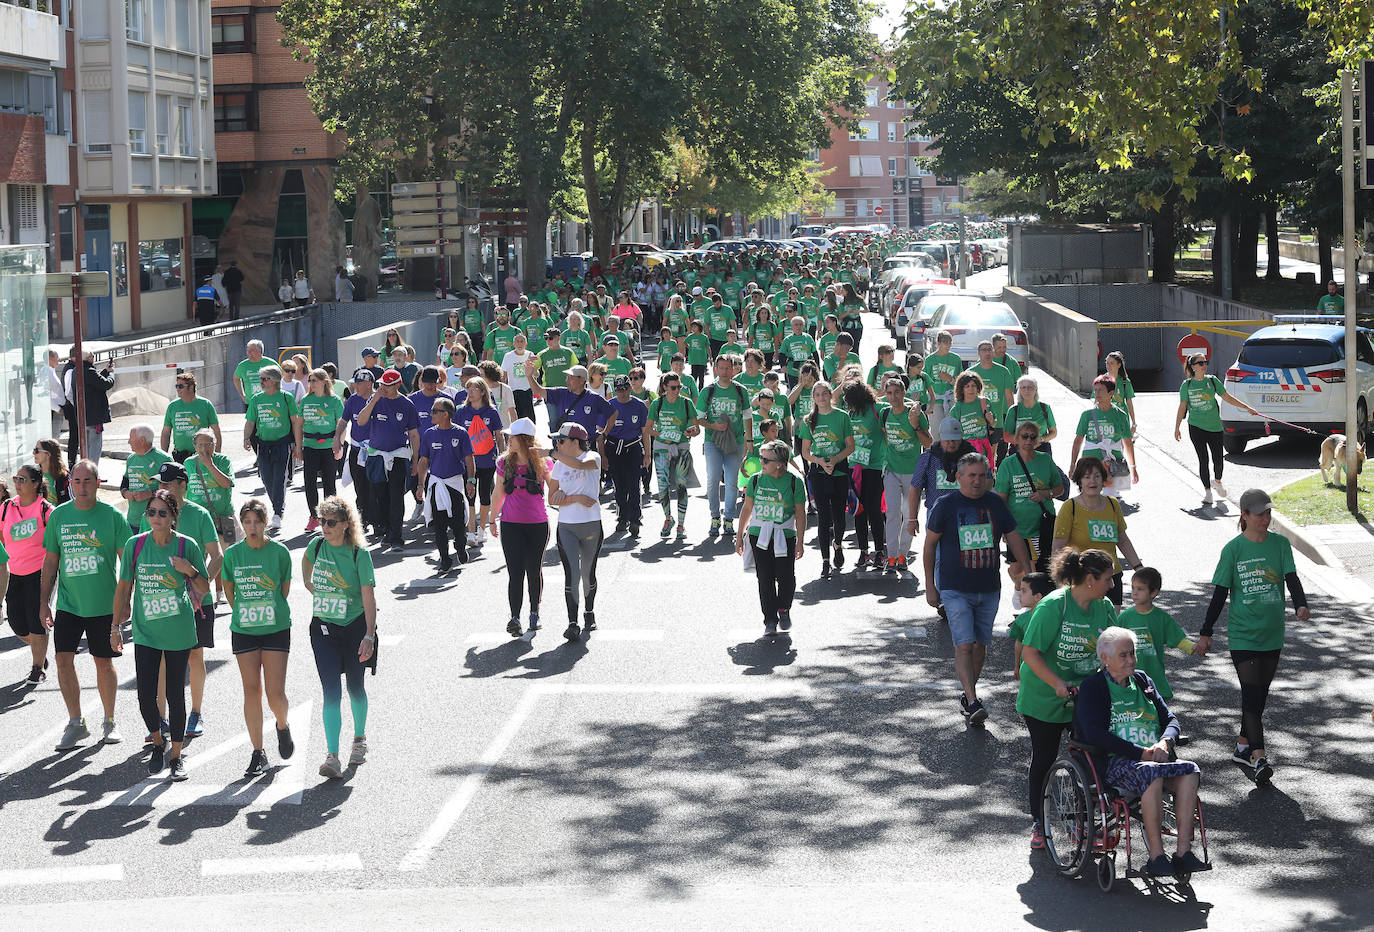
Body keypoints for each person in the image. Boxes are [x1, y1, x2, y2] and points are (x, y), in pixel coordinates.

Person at [1195, 488, 1309, 785]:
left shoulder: (1280, 545)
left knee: (1260, 697)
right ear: (1244, 515)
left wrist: (1301, 604)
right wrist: (1206, 632)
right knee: (1251, 693)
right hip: (1243, 634)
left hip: (1272, 633)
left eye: (1268, 512)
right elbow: (1219, 594)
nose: (1265, 518)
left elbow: (1292, 578)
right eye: (1260, 513)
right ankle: (1259, 756)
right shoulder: (1233, 551)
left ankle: (1243, 746)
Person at [1075, 626, 1208, 878]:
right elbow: (1094, 734)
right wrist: (1140, 753)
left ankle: (1183, 853)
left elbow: (1171, 719)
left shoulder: (1143, 680)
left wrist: (1165, 743)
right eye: (1123, 655)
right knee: (1151, 773)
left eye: (1132, 654)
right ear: (1105, 658)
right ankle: (1157, 856)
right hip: (1118, 763)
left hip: (1155, 758)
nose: (1131, 660)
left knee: (1191, 770)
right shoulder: (1094, 687)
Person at [1015, 547, 1119, 849]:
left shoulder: (1104, 607)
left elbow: (1109, 650)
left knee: (1087, 760)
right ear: (1090, 579)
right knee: (1044, 759)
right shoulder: (1053, 607)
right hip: (1044, 697)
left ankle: (1081, 824)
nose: (1112, 585)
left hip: (1082, 698)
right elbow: (1031, 654)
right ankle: (1039, 822)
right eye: (1107, 579)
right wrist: (1058, 683)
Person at [923, 452, 1033, 724]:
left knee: (980, 645)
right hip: (955, 587)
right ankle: (973, 701)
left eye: (982, 475)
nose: (977, 481)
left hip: (988, 587)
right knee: (964, 644)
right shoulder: (945, 505)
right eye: (971, 475)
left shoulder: (995, 503)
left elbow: (1014, 537)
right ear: (958, 477)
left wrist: (1029, 573)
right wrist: (929, 585)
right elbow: (929, 545)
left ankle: (967, 693)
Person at [114, 489, 211, 780]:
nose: (156, 517)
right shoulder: (136, 545)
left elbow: (204, 589)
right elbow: (123, 588)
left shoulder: (186, 545)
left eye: (162, 513)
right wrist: (114, 626)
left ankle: (177, 757)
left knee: (174, 694)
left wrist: (190, 570)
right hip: (146, 631)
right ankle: (158, 742)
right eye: (151, 512)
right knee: (145, 695)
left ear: (173, 517)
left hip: (178, 630)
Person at [41, 460, 131, 749]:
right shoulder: (59, 516)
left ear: (98, 483)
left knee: (103, 663)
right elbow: (51, 561)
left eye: (87, 481)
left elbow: (126, 562)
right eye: (76, 482)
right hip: (69, 604)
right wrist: (44, 602)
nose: (81, 487)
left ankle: (109, 721)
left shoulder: (112, 516)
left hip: (104, 605)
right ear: (70, 485)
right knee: (62, 660)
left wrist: (126, 601)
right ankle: (76, 723)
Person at [301, 496, 376, 780]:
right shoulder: (316, 545)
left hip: (355, 628)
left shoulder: (359, 554)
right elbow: (306, 565)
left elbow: (369, 597)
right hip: (323, 629)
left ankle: (359, 738)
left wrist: (369, 635)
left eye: (331, 522)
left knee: (355, 687)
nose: (325, 527)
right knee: (330, 690)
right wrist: (311, 586)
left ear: (346, 525)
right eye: (322, 521)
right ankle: (332, 756)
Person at [222, 498, 295, 776]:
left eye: (257, 522)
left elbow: (284, 589)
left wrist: (268, 609)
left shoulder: (279, 552)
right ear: (242, 524)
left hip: (275, 627)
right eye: (247, 522)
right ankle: (258, 751)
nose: (252, 527)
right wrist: (244, 610)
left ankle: (282, 724)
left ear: (265, 523)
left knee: (274, 693)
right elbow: (229, 590)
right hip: (244, 630)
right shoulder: (232, 554)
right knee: (251, 691)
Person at [736, 440, 807, 637]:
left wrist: (800, 541)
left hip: (784, 535)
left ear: (779, 463)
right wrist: (739, 535)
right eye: (761, 458)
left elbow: (800, 513)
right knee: (764, 579)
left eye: (765, 460)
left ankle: (784, 608)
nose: (761, 463)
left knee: (786, 578)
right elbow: (747, 508)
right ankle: (769, 619)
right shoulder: (756, 480)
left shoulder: (794, 482)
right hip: (759, 536)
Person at [1051, 456, 1143, 607]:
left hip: (1111, 578)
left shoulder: (1113, 504)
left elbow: (1122, 539)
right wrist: (1060, 581)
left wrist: (1138, 567)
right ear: (1079, 481)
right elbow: (1058, 547)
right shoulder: (1070, 507)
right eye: (1087, 477)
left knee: (1111, 627)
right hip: (1082, 579)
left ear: (1103, 480)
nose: (1092, 481)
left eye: (1097, 476)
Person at [490, 419, 550, 637]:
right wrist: (491, 519)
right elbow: (498, 492)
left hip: (537, 524)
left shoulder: (543, 463)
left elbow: (555, 486)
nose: (509, 439)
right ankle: (515, 617)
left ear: (523, 440)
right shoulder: (503, 462)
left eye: (512, 437)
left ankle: (534, 612)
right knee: (515, 573)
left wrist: (549, 454)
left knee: (534, 571)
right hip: (511, 524)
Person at [1174, 353, 1257, 506]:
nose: (1204, 365)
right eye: (1200, 363)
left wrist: (1247, 408)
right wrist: (1177, 427)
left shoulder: (1212, 381)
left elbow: (1227, 397)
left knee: (1218, 459)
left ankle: (1217, 481)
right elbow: (1182, 407)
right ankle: (1207, 492)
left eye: (1205, 362)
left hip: (1215, 427)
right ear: (1193, 367)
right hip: (1196, 427)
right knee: (1203, 459)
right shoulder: (1187, 385)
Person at [547, 423, 603, 641]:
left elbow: (581, 467)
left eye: (560, 441)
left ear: (574, 442)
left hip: (591, 525)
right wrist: (575, 498)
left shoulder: (593, 457)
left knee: (588, 573)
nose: (557, 444)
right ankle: (572, 622)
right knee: (572, 575)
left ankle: (589, 612)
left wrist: (553, 455)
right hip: (567, 527)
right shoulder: (559, 465)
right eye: (556, 441)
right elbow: (551, 499)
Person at [356, 369, 421, 550]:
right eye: (382, 383)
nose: (383, 387)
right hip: (377, 456)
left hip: (398, 456)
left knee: (396, 496)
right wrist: (374, 400)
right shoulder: (376, 400)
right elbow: (361, 421)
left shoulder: (407, 404)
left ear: (397, 385)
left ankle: (396, 536)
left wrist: (415, 461)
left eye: (388, 385)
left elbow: (414, 435)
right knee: (379, 495)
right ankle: (387, 529)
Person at [3, 466, 55, 685]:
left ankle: (37, 668)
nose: (17, 482)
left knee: (36, 622)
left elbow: (55, 546)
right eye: (16, 478)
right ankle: (39, 652)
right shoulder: (7, 507)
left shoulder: (46, 510)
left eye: (22, 479)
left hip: (39, 573)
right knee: (16, 623)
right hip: (13, 572)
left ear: (35, 483)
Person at [798, 380, 854, 578]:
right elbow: (805, 451)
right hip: (819, 472)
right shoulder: (808, 420)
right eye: (817, 394)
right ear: (813, 398)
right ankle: (825, 560)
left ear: (831, 395)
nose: (821, 398)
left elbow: (850, 446)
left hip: (838, 470)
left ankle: (837, 544)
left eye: (824, 393)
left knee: (839, 517)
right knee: (823, 517)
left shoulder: (842, 417)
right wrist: (820, 461)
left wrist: (835, 459)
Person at [1115, 567, 1196, 703]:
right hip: (1129, 674)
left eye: (1140, 589)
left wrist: (1194, 647)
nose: (1134, 593)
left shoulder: (1162, 618)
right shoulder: (1124, 617)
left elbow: (1177, 639)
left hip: (1154, 674)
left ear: (1153, 592)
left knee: (1156, 713)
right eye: (1133, 588)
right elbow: (1112, 642)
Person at [994, 422, 1064, 581]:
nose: (1028, 440)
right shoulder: (1008, 464)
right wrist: (1004, 528)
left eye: (1033, 436)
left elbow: (1060, 488)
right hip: (1017, 529)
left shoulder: (1045, 460)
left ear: (1038, 440)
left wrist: (1046, 493)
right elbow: (1000, 500)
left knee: (1036, 568)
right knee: (1016, 569)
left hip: (1042, 526)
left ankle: (1033, 599)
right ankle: (1021, 588)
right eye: (1024, 436)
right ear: (1016, 439)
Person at [416, 396, 476, 573]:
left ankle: (460, 546)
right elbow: (423, 461)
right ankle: (444, 559)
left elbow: (469, 459)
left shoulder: (460, 433)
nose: (431, 414)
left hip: (454, 484)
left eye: (435, 411)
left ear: (446, 414)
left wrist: (471, 481)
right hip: (436, 484)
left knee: (458, 524)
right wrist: (421, 485)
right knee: (439, 525)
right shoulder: (429, 434)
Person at [696, 355, 753, 537]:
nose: (725, 372)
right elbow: (699, 419)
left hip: (735, 441)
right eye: (722, 368)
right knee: (712, 479)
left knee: (731, 481)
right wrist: (714, 426)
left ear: (734, 369)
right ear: (716, 369)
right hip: (713, 441)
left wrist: (749, 440)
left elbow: (747, 416)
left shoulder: (740, 390)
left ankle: (728, 519)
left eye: (729, 368)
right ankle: (714, 517)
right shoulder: (709, 390)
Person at [879, 376, 930, 573]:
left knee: (909, 515)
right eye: (889, 392)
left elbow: (928, 442)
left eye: (896, 392)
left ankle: (903, 554)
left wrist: (915, 423)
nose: (893, 397)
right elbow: (885, 438)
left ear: (903, 393)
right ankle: (891, 556)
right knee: (892, 514)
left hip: (913, 472)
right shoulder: (885, 414)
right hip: (891, 470)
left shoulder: (915, 413)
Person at [244, 365, 302, 530]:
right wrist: (246, 438)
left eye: (264, 379)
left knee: (279, 479)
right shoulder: (256, 399)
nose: (261, 382)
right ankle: (277, 504)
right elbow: (250, 422)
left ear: (274, 380)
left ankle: (277, 512)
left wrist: (298, 445)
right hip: (263, 445)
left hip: (282, 444)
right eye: (260, 378)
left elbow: (295, 422)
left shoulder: (286, 397)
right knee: (267, 479)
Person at [455, 378, 505, 546]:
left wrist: (502, 456)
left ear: (483, 392)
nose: (470, 391)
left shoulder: (491, 412)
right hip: (467, 462)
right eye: (468, 388)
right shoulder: (462, 412)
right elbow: (455, 434)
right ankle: (470, 532)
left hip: (487, 461)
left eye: (475, 388)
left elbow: (499, 436)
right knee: (469, 496)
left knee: (484, 494)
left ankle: (482, 529)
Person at [1071, 374, 1138, 499]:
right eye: (1095, 390)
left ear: (1111, 393)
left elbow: (1127, 442)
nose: (1097, 393)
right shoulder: (1087, 415)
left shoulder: (1121, 414)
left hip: (1111, 464)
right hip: (1089, 464)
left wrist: (1133, 467)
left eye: (1101, 390)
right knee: (1089, 498)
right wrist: (1073, 464)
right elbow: (1077, 441)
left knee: (1109, 500)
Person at [843, 380, 887, 569]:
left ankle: (879, 552)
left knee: (875, 510)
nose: (846, 401)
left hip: (875, 466)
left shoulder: (877, 408)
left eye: (849, 398)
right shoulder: (850, 413)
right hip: (854, 467)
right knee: (858, 510)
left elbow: (899, 406)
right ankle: (863, 552)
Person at [296, 368, 344, 533]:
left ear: (324, 381)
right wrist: (298, 445)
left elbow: (341, 425)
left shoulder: (334, 400)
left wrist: (340, 445)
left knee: (329, 483)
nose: (311, 383)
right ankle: (313, 516)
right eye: (310, 380)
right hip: (310, 445)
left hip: (328, 446)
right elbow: (299, 424)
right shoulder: (305, 400)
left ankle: (330, 517)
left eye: (314, 380)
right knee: (309, 482)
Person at [605, 374, 649, 535]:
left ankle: (635, 519)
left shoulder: (639, 406)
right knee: (619, 486)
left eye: (624, 389)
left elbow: (645, 433)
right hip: (615, 449)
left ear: (630, 388)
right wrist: (603, 456)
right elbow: (603, 433)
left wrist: (647, 455)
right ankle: (623, 517)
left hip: (633, 447)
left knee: (634, 485)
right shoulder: (609, 405)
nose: (622, 393)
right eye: (618, 390)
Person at [337, 369, 376, 531]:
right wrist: (336, 439)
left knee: (375, 486)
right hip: (356, 449)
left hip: (375, 452)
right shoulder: (353, 400)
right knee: (360, 486)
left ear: (368, 384)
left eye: (359, 383)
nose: (355, 386)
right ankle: (363, 518)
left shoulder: (379, 399)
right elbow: (344, 420)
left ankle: (377, 519)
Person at [64, 349, 115, 466]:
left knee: (85, 449)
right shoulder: (89, 371)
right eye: (93, 356)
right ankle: (91, 474)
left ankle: (86, 471)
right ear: (89, 358)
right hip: (94, 418)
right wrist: (111, 373)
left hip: (83, 418)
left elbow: (95, 381)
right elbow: (106, 384)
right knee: (94, 450)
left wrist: (105, 371)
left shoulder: (76, 371)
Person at [121, 425, 173, 533]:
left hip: (155, 523)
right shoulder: (131, 459)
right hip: (132, 522)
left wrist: (149, 494)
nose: (128, 442)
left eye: (131, 438)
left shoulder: (164, 459)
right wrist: (126, 493)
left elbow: (172, 490)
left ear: (142, 440)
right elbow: (124, 484)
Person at [161, 372, 221, 463]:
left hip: (201, 454)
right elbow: (166, 432)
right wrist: (164, 456)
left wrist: (217, 453)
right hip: (179, 456)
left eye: (181, 386)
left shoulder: (205, 404)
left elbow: (216, 430)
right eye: (176, 386)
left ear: (191, 387)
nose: (177, 389)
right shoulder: (172, 406)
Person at [949, 370, 997, 465]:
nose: (971, 389)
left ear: (978, 387)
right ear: (961, 389)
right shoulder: (957, 408)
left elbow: (994, 422)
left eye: (973, 385)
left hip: (984, 448)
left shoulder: (985, 402)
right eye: (967, 386)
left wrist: (991, 421)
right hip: (965, 450)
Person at [1003, 376, 1057, 460]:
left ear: (1036, 389)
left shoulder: (1045, 408)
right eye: (1023, 387)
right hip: (1018, 450)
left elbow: (1053, 432)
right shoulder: (1014, 410)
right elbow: (1006, 436)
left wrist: (1041, 439)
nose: (1026, 390)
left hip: (1041, 449)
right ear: (1019, 390)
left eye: (1030, 387)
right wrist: (1025, 442)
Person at [501, 332, 538, 421]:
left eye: (522, 341)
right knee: (516, 418)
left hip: (527, 390)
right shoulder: (508, 356)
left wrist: (533, 367)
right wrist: (502, 392)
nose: (519, 344)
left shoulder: (530, 354)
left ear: (526, 344)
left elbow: (536, 374)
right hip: (513, 391)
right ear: (514, 343)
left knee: (529, 419)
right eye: (517, 341)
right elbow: (503, 375)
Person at [1103, 352, 1137, 437]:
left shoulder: (1125, 382)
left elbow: (1129, 403)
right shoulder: (1101, 381)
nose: (1108, 366)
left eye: (1112, 363)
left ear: (1119, 365)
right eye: (1107, 363)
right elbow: (1096, 402)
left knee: (1119, 448)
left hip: (1121, 420)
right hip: (1105, 420)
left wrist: (1133, 423)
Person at [234, 340, 272, 410]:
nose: (248, 353)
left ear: (259, 351)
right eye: (247, 350)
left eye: (251, 350)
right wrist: (242, 395)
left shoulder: (270, 363)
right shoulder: (243, 365)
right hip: (250, 402)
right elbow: (236, 378)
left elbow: (281, 377)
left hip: (268, 402)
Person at [34, 439, 70, 505]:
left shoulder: (65, 476)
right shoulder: (34, 475)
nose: (33, 453)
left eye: (37, 450)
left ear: (48, 454)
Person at [46, 348, 66, 440]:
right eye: (57, 357)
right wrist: (58, 409)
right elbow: (45, 395)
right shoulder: (47, 372)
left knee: (55, 437)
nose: (59, 359)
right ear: (50, 358)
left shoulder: (51, 371)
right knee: (53, 439)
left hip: (56, 410)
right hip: (54, 411)